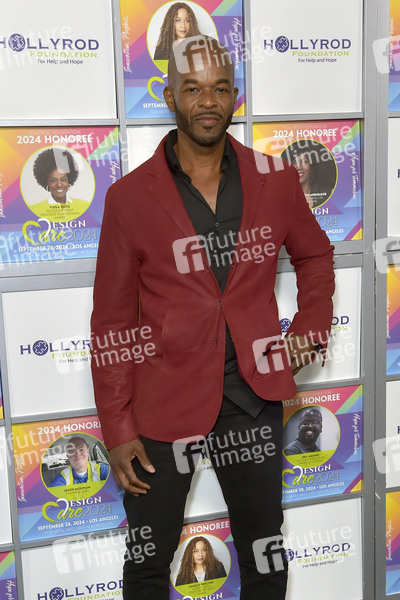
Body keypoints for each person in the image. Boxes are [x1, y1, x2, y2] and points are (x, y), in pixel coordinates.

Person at [91, 36, 335, 600]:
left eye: (220, 89)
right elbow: (111, 322)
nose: (208, 101)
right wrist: (119, 429)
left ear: (235, 97)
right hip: (163, 404)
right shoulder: (129, 198)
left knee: (264, 555)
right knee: (148, 564)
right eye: (194, 89)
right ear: (169, 96)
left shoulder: (276, 179)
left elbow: (316, 255)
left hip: (252, 395)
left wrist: (310, 330)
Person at [31, 147, 89, 221]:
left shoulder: (83, 205)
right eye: (53, 180)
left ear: (69, 180)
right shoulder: (37, 209)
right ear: (46, 182)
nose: (59, 185)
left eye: (63, 180)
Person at [282, 141, 336, 209]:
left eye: (304, 162)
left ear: (311, 165)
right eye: (294, 162)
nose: (298, 167)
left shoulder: (328, 192)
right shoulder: (284, 194)